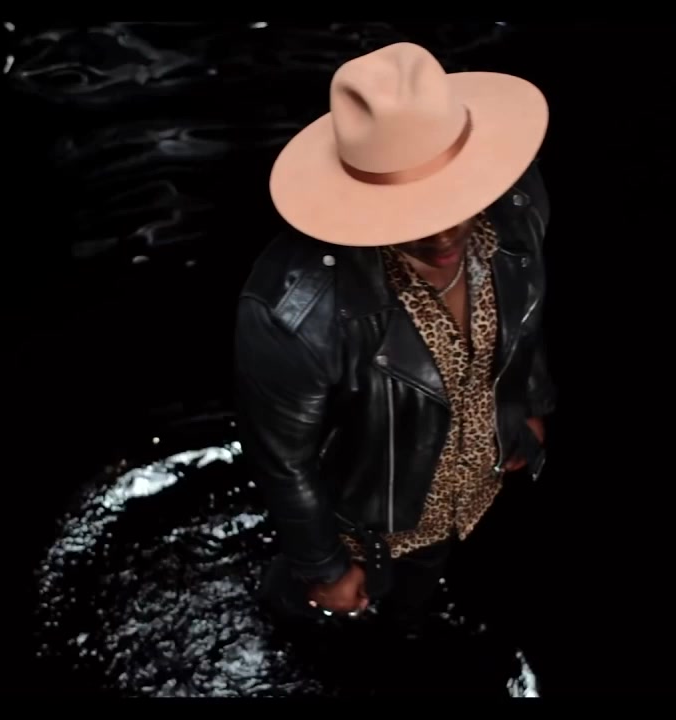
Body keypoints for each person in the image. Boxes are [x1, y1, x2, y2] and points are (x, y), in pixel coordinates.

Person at [234, 42, 557, 694]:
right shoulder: (293, 310)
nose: (442, 236)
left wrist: (527, 405)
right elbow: (285, 459)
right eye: (415, 215)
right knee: (332, 637)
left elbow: (527, 318)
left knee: (423, 608)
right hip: (371, 527)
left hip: (474, 490)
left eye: (452, 201)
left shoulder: (518, 204)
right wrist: (324, 568)